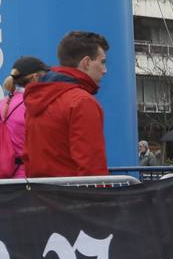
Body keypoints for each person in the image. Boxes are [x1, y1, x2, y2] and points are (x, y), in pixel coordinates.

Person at [24, 31, 110, 177]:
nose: (105, 70)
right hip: (73, 196)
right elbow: (91, 166)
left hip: (40, 194)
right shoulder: (82, 102)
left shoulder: (36, 98)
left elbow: (28, 157)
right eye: (102, 62)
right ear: (87, 62)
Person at [0, 56, 48, 178]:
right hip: (27, 179)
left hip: (2, 177)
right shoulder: (32, 104)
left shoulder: (3, 103)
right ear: (35, 77)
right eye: (45, 76)